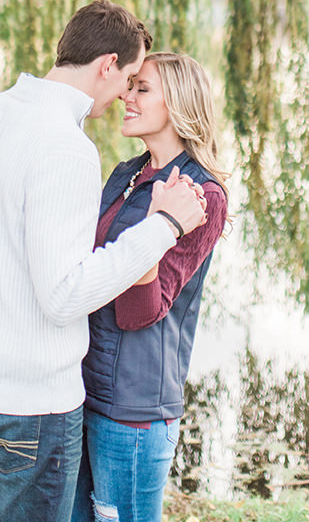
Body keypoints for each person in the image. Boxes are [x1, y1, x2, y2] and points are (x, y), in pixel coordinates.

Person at [0, 0, 207, 522]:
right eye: (129, 77)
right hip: (27, 405)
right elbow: (64, 297)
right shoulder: (65, 146)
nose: (127, 92)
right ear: (106, 64)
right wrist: (163, 227)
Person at [72, 51, 229, 522]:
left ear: (178, 105)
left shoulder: (203, 196)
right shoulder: (126, 174)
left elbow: (142, 310)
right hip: (81, 388)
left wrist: (160, 224)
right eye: (129, 85)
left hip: (133, 408)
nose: (126, 95)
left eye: (142, 88)